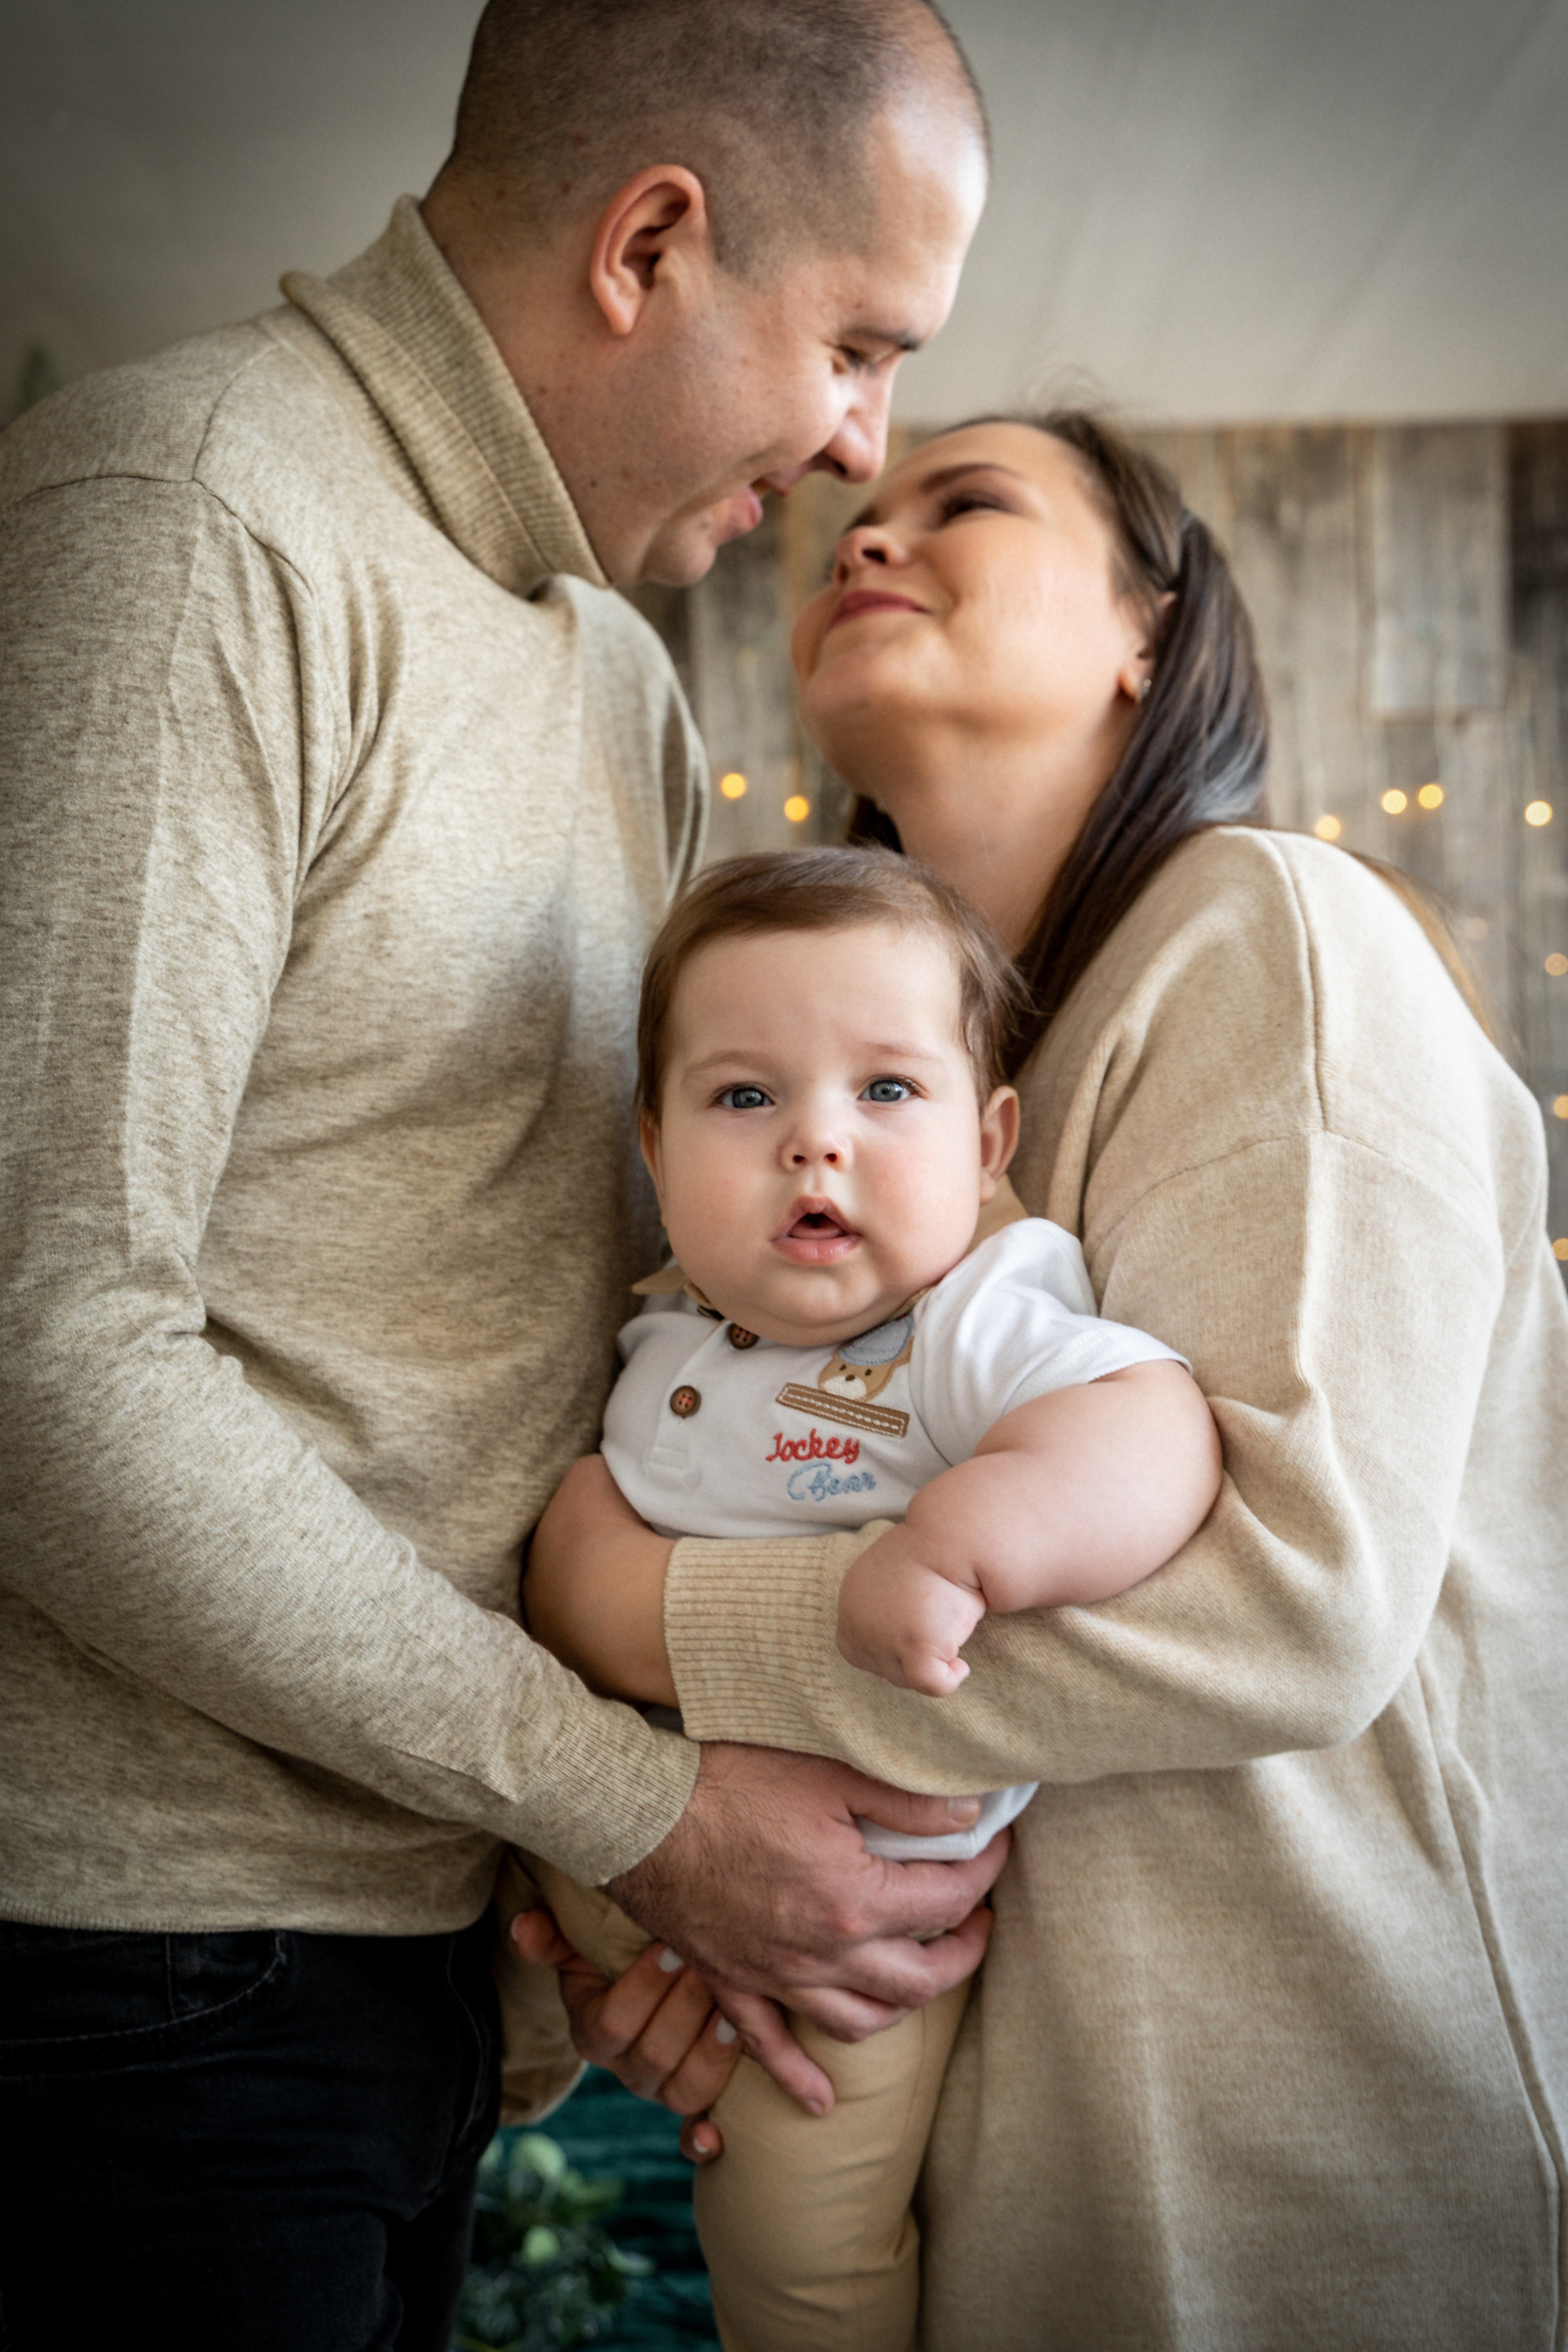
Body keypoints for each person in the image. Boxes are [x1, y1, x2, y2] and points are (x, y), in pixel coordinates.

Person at [0, 5, 996, 2345]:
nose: (868, 441)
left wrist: (587, 1901)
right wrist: (632, 1814)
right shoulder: (190, 522)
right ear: (653, 239)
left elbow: (577, 1341)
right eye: (858, 345)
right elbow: (47, 1350)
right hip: (135, 1989)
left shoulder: (618, 680)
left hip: (427, 1979)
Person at [522, 410, 1568, 2350]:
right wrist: (693, 1872)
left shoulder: (1273, 930)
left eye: (964, 502)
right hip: (1013, 2126)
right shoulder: (868, 1126)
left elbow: (1293, 1605)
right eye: (849, 518)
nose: (864, 530)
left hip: (1300, 2142)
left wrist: (648, 1614)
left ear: (1146, 639)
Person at [517, 844, 1220, 2351]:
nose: (812, 1146)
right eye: (744, 1097)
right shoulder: (663, 1325)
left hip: (851, 1930)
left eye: (886, 1092)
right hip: (623, 1853)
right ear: (652, 1144)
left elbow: (1153, 1432)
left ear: (990, 1140)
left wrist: (959, 1545)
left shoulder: (968, 1318)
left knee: (787, 2256)